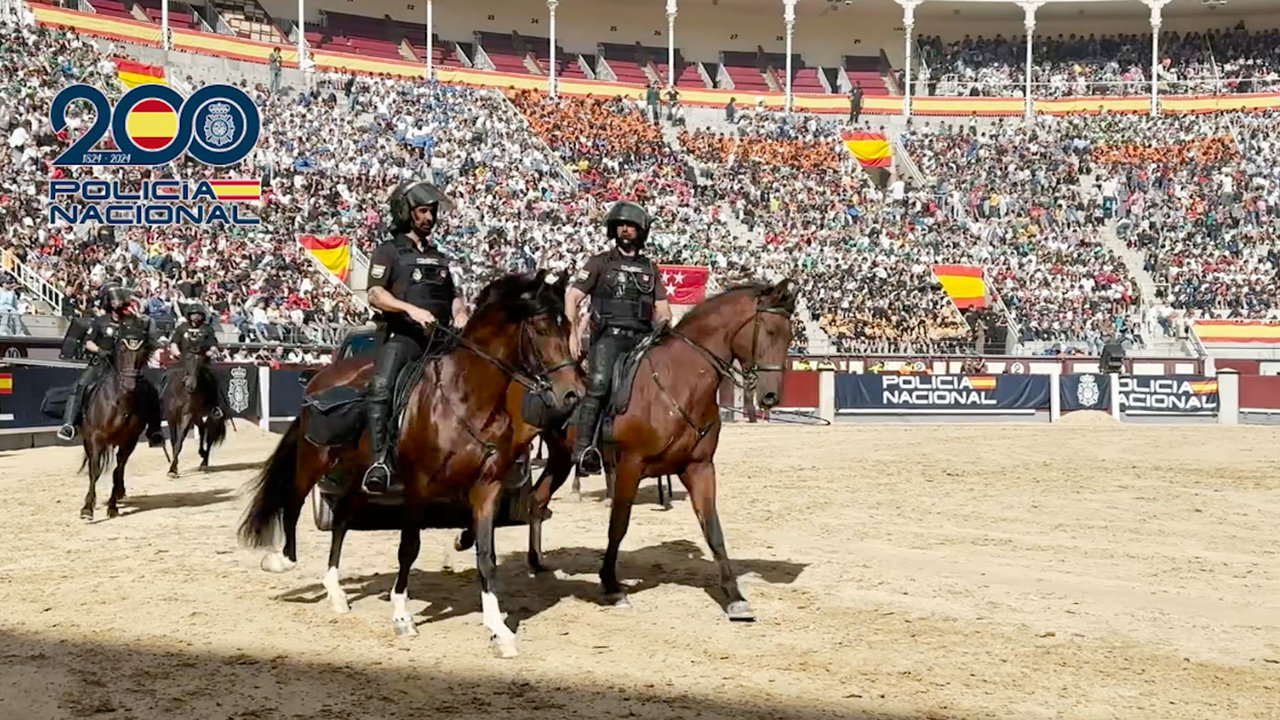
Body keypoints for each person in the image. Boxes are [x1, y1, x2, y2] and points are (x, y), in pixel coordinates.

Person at [361, 180, 469, 494]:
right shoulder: (388, 251)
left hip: (443, 340)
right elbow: (375, 294)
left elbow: (454, 295)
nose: (429, 217)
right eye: (423, 211)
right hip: (405, 337)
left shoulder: (440, 256)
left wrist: (460, 311)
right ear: (406, 213)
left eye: (432, 211)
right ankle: (380, 461)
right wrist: (411, 310)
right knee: (381, 387)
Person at [565, 201, 672, 476]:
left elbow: (662, 309)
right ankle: (584, 449)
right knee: (599, 385)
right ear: (614, 230)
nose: (626, 229)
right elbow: (572, 296)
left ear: (641, 231)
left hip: (644, 340)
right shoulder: (600, 262)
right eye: (621, 225)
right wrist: (573, 333)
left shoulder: (650, 267)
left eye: (632, 226)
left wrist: (664, 324)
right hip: (609, 338)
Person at [57, 286, 165, 447]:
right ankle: (69, 425)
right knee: (80, 386)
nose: (117, 308)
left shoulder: (131, 323)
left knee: (150, 391)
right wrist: (100, 351)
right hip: (100, 364)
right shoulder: (101, 321)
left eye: (120, 304)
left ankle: (154, 430)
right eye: (114, 303)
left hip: (125, 367)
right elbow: (89, 342)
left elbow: (142, 339)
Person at [169, 302, 229, 420]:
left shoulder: (207, 329)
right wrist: (178, 354)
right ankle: (161, 402)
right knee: (166, 378)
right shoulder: (182, 328)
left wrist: (210, 353)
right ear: (189, 315)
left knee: (214, 379)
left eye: (198, 314)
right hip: (183, 360)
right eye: (193, 314)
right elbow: (174, 343)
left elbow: (213, 345)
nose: (196, 317)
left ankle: (214, 406)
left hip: (202, 361)